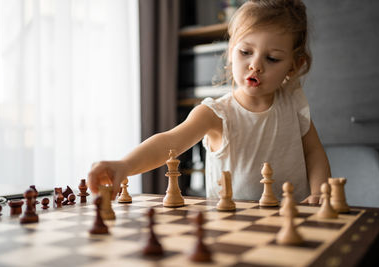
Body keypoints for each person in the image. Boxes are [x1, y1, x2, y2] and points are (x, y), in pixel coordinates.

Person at [88, 0, 331, 204]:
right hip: (231, 225)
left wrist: (319, 192)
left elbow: (313, 152)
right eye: (245, 52)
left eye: (272, 58)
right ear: (230, 51)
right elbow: (169, 142)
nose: (255, 65)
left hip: (292, 218)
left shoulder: (293, 104)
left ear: (294, 65)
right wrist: (125, 165)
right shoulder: (216, 113)